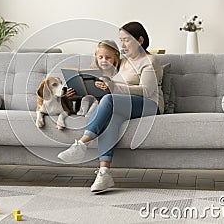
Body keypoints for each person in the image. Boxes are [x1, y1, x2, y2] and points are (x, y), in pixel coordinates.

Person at [58, 21, 164, 192]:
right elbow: (109, 79)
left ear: (140, 40)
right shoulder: (123, 62)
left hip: (150, 105)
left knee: (109, 99)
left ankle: (82, 144)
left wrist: (112, 88)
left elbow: (146, 91)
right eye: (121, 40)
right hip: (125, 104)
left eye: (127, 40)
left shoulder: (149, 61)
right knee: (111, 118)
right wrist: (80, 92)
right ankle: (104, 173)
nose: (123, 44)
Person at [76, 39, 121, 117]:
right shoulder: (93, 72)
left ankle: (90, 113)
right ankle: (83, 111)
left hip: (106, 100)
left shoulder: (118, 73)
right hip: (91, 97)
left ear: (115, 57)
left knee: (99, 100)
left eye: (108, 58)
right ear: (96, 57)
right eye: (100, 57)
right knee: (86, 98)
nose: (104, 60)